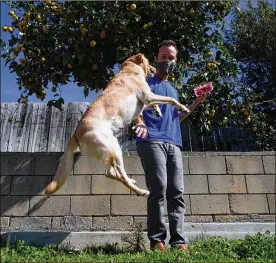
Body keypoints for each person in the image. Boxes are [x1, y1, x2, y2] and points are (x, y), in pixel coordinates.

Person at [133, 40, 209, 252]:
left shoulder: (173, 91)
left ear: (176, 61)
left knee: (177, 192)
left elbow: (175, 118)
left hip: (174, 143)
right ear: (156, 59)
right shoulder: (145, 83)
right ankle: (157, 240)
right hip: (151, 141)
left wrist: (195, 103)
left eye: (171, 58)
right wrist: (139, 123)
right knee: (158, 189)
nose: (167, 61)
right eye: (163, 57)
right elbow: (132, 107)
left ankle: (179, 241)